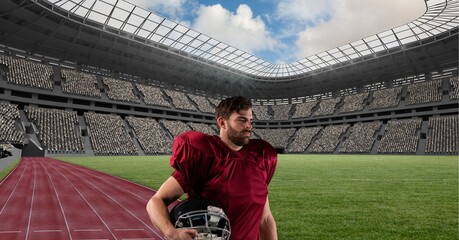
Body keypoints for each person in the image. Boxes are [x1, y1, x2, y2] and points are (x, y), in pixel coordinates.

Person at [146, 96, 278, 240]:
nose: (248, 125)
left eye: (250, 120)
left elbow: (265, 219)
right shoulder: (205, 155)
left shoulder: (261, 157)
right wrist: (172, 232)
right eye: (242, 120)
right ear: (222, 122)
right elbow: (156, 201)